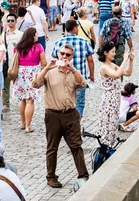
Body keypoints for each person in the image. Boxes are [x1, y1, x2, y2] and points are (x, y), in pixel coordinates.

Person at [32, 44, 88, 188]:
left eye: (67, 54)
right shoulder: (50, 72)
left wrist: (73, 69)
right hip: (53, 115)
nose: (64, 56)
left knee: (76, 145)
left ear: (72, 57)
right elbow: (36, 83)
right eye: (62, 53)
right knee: (52, 147)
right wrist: (46, 67)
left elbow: (82, 83)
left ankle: (83, 175)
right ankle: (51, 177)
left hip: (71, 114)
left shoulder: (73, 73)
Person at [51, 20, 95, 118]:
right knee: (79, 104)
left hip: (62, 78)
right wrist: (91, 75)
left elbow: (54, 59)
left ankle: (65, 124)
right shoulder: (84, 42)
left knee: (63, 103)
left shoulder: (58, 42)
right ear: (75, 28)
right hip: (79, 78)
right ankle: (76, 125)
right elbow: (90, 60)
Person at [96, 42, 134, 147]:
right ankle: (106, 146)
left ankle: (110, 146)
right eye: (112, 52)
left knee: (113, 124)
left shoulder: (112, 65)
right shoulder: (104, 67)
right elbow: (117, 75)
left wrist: (130, 61)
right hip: (109, 100)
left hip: (115, 99)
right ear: (105, 53)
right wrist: (125, 59)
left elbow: (127, 73)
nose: (114, 54)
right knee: (109, 124)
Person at [12, 27, 46, 133]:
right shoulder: (38, 47)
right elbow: (44, 63)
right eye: (36, 34)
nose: (37, 36)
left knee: (22, 99)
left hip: (20, 74)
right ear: (32, 36)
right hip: (32, 74)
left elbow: (15, 62)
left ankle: (22, 123)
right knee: (30, 100)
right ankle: (28, 126)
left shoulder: (18, 47)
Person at [1, 13, 22, 113]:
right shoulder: (4, 34)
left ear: (16, 21)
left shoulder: (20, 34)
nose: (10, 22)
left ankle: (22, 100)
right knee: (5, 84)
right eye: (8, 21)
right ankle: (5, 103)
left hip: (18, 62)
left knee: (20, 82)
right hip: (6, 61)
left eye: (12, 20)